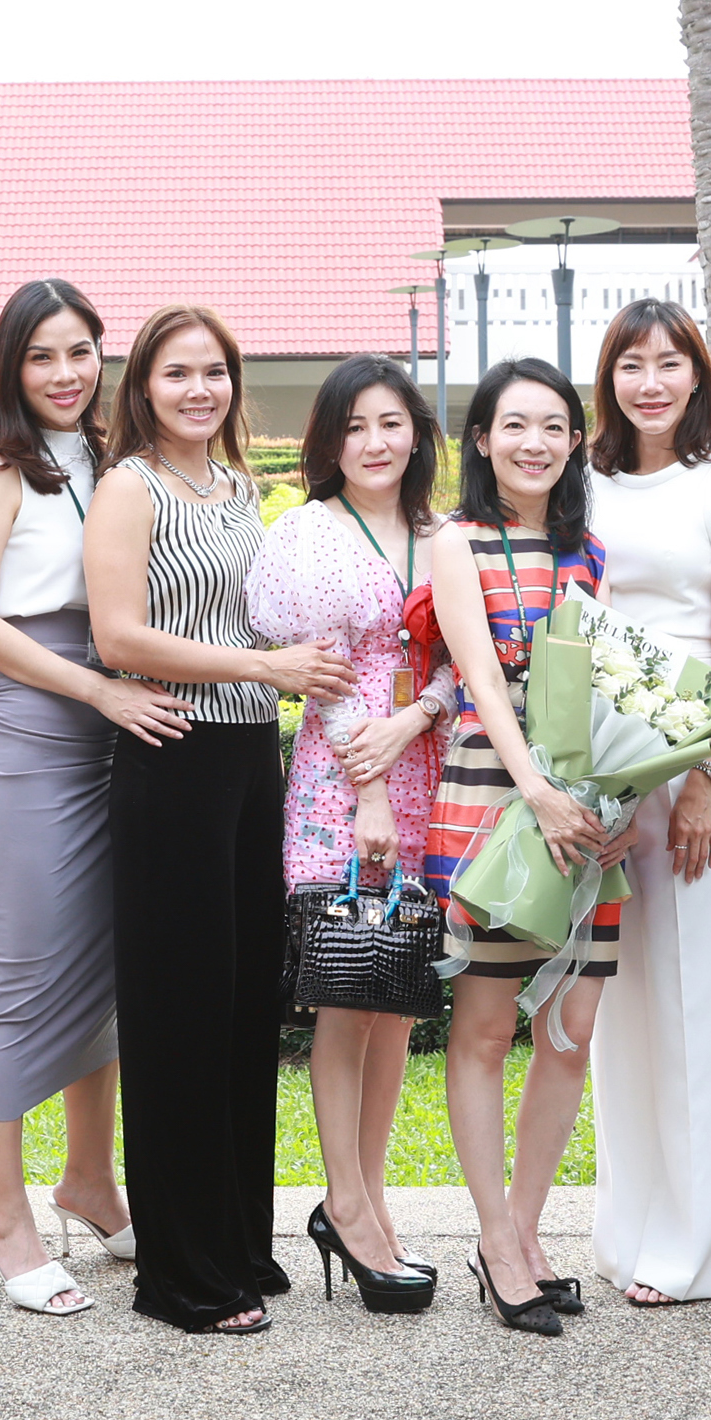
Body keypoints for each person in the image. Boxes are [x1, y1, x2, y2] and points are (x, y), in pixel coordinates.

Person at [91, 302, 338, 1336]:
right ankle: (181, 1271)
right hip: (171, 758)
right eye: (177, 372)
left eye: (214, 372)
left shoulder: (242, 489)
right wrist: (262, 667)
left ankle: (238, 1239)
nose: (199, 388)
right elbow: (117, 636)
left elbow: (276, 613)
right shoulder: (127, 487)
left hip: (250, 759)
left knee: (243, 1008)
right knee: (176, 1017)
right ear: (143, 385)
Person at [0, 279, 157, 1317]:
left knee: (106, 966)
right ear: (9, 369)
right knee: (21, 975)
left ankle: (88, 1178)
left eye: (80, 351)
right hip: (33, 731)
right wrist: (93, 687)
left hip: (122, 726)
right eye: (42, 356)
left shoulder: (115, 461)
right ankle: (1, 1211)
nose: (65, 373)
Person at [244, 355, 456, 1311]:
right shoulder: (305, 536)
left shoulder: (441, 535)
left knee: (399, 995)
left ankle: (369, 1202)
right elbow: (316, 678)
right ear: (329, 441)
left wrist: (416, 722)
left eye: (390, 422)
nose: (375, 442)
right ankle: (345, 1201)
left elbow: (466, 663)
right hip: (342, 783)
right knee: (347, 989)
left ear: (417, 432)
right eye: (354, 426)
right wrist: (368, 783)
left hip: (427, 773)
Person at [422, 357, 617, 1337]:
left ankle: (528, 1233)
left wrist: (613, 789)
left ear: (575, 439)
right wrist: (535, 789)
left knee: (569, 1031)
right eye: (514, 425)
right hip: (498, 800)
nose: (533, 441)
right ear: (484, 440)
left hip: (584, 811)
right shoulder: (456, 541)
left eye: (553, 425)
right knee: (488, 1029)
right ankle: (495, 1240)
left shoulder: (591, 553)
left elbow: (608, 690)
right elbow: (481, 684)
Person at [580, 301, 711, 1312]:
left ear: (698, 374)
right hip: (604, 766)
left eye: (669, 363)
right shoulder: (583, 479)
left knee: (695, 1000)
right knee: (618, 1006)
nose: (650, 381)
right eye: (631, 364)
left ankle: (696, 1246)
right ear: (606, 377)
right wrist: (586, 777)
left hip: (698, 760)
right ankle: (626, 1227)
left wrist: (702, 772)